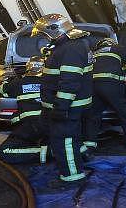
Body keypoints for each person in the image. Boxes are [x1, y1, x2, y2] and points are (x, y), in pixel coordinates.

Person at [31, 13, 93, 185]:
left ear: (55, 30)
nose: (43, 38)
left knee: (63, 140)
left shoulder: (71, 48)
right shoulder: (69, 46)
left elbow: (70, 82)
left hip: (67, 106)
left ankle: (73, 176)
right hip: (67, 105)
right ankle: (83, 155)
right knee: (70, 136)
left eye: (44, 34)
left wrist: (61, 108)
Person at [83, 38, 126, 151]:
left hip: (93, 87)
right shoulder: (117, 49)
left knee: (93, 115)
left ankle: (90, 143)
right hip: (112, 85)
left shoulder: (92, 53)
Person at [0, 56, 49, 164]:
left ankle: (47, 153)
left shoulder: (18, 83)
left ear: (28, 68)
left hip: (29, 125)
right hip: (51, 123)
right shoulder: (49, 83)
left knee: (5, 151)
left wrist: (9, 77)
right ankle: (54, 149)